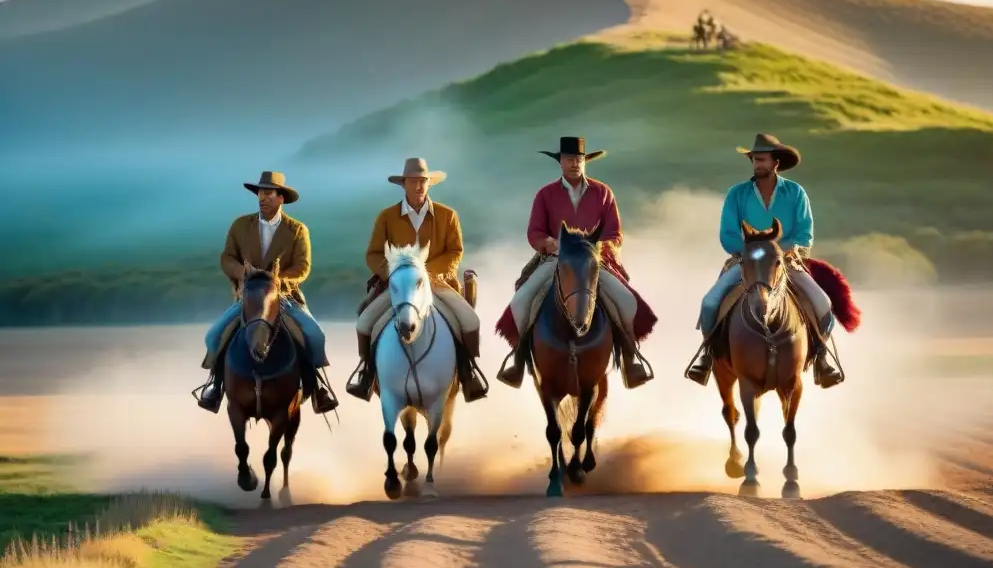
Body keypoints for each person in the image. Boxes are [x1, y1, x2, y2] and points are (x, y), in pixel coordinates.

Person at [495, 136, 656, 390]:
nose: (575, 164)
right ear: (560, 162)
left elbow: (614, 233)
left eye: (579, 160)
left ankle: (630, 358)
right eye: (570, 159)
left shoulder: (604, 193)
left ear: (585, 162)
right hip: (555, 261)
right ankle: (518, 358)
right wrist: (550, 243)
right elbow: (534, 232)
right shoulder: (545, 195)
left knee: (625, 300)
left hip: (594, 262)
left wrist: (598, 250)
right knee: (523, 299)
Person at [684, 134, 844, 388]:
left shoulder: (795, 193)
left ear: (775, 162)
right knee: (710, 302)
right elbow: (727, 233)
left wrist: (778, 252)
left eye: (761, 160)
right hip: (746, 263)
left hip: (785, 263)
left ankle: (822, 359)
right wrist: (749, 253)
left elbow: (804, 233)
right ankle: (707, 356)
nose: (756, 164)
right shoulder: (737, 194)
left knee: (823, 304)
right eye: (754, 160)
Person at [345, 157, 489, 402]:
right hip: (399, 287)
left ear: (429, 184)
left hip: (438, 284)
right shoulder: (386, 217)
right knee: (365, 323)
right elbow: (373, 254)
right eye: (413, 181)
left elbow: (455, 251)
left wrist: (427, 272)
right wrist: (396, 274)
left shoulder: (448, 215)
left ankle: (468, 372)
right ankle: (367, 374)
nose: (419, 186)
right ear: (404, 185)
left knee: (470, 320)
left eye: (423, 181)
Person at [196, 171, 340, 414]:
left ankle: (317, 389)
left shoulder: (297, 230)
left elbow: (302, 267)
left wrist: (278, 281)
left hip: (283, 298)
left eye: (269, 193)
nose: (263, 198)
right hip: (249, 299)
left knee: (316, 335)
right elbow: (227, 258)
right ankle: (215, 387)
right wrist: (244, 273)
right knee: (214, 336)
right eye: (260, 193)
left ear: (280, 198)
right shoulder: (240, 225)